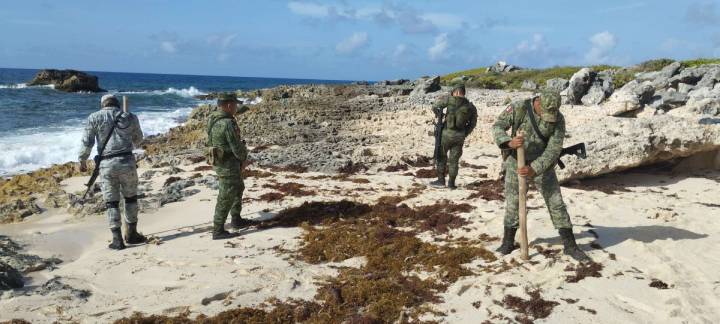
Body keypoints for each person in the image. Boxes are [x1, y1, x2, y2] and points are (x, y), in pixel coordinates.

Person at [492, 90, 590, 262]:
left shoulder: (558, 119)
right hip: (516, 161)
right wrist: (508, 142)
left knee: (556, 202)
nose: (548, 118)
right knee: (513, 203)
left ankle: (570, 245)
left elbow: (554, 149)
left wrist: (535, 168)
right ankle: (508, 242)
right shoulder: (519, 108)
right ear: (538, 102)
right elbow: (498, 126)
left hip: (542, 164)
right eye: (545, 113)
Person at [79, 94, 146, 250]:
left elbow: (86, 142)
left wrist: (82, 160)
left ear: (103, 105)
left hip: (106, 164)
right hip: (127, 162)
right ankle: (131, 234)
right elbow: (138, 140)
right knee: (130, 199)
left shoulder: (93, 117)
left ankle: (117, 240)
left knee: (111, 202)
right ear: (117, 104)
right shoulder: (130, 116)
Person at [206, 93, 252, 240]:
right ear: (228, 105)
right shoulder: (227, 123)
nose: (236, 107)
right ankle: (218, 229)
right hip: (228, 164)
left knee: (238, 188)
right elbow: (236, 146)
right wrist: (244, 159)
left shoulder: (214, 118)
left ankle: (236, 219)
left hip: (222, 161)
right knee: (226, 196)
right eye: (235, 104)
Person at [429, 84, 478, 189]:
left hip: (446, 135)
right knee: (454, 161)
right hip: (460, 137)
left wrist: (439, 115)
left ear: (455, 92)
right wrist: (465, 133)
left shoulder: (449, 100)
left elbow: (434, 106)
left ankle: (441, 181)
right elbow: (473, 123)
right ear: (463, 93)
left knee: (441, 158)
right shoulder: (470, 106)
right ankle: (451, 183)